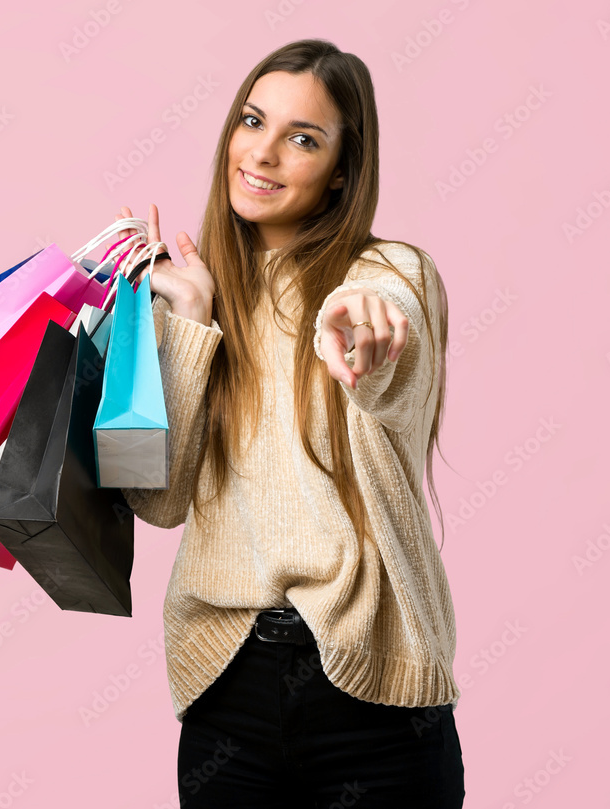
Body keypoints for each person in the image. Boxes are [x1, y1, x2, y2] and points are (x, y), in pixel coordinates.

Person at [115, 38, 465, 809]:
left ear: (343, 168)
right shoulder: (199, 296)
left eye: (303, 138)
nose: (263, 153)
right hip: (225, 688)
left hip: (373, 691)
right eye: (252, 121)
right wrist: (192, 319)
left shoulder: (390, 273)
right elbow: (161, 500)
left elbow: (389, 337)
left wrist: (363, 324)